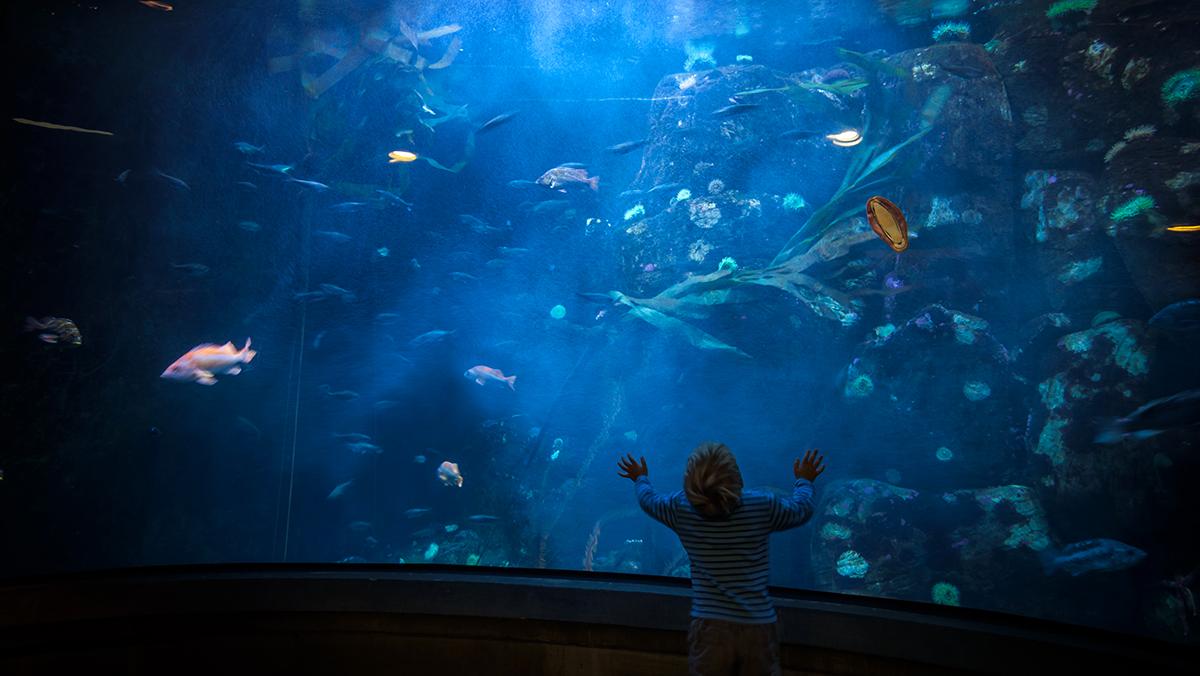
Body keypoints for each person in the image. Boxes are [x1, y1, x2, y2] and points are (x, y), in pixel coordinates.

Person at [617, 442, 825, 676]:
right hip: (757, 625)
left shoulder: (680, 508)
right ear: (736, 477)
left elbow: (649, 501)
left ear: (690, 481)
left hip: (710, 626)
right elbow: (801, 509)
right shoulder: (761, 505)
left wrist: (640, 478)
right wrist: (804, 480)